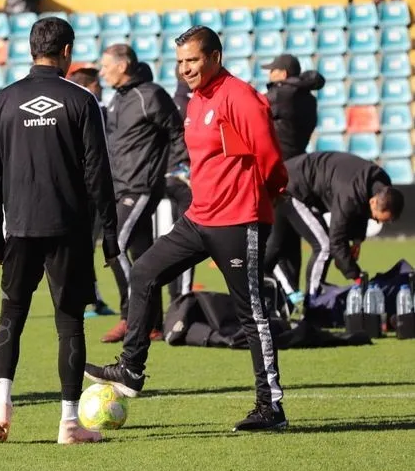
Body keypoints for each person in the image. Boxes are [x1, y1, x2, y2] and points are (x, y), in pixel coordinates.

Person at [85, 25, 291, 433]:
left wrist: (267, 195)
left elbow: (269, 157)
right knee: (144, 270)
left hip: (238, 220)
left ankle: (271, 407)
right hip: (200, 217)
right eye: (180, 62)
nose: (185, 69)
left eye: (193, 60)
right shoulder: (197, 100)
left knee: (252, 315)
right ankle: (131, 370)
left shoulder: (241, 97)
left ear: (215, 56)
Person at [0, 17, 120, 445]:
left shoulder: (2, 102)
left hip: (19, 228)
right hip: (68, 229)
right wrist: (110, 230)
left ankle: (1, 404)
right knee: (70, 324)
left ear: (30, 49)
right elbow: (98, 172)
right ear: (67, 52)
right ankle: (69, 425)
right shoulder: (81, 100)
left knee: (11, 317)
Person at [97, 45, 188, 344]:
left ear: (122, 66)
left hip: (140, 187)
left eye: (105, 65)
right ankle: (152, 324)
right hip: (120, 186)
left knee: (115, 246)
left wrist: (176, 167)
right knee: (142, 255)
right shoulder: (117, 99)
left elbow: (178, 133)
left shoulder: (150, 95)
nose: (102, 71)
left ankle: (130, 317)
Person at [263, 152, 404, 299]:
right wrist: (355, 276)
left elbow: (362, 209)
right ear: (373, 202)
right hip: (291, 187)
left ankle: (258, 282)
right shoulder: (349, 194)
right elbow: (337, 238)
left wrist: (357, 240)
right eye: (376, 218)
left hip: (293, 180)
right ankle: (312, 303)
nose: (376, 221)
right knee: (325, 246)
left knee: (273, 249)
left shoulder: (380, 185)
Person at [261, 54, 325, 306]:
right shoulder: (309, 99)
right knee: (291, 240)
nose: (268, 75)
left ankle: (274, 297)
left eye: (272, 70)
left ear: (283, 74)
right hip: (300, 171)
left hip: (278, 173)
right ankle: (290, 296)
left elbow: (255, 111)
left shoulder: (281, 95)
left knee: (273, 240)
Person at [66, 67, 116, 318]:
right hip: (89, 191)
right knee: (85, 247)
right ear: (91, 86)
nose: (101, 90)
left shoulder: (78, 110)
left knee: (84, 247)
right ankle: (87, 300)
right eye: (99, 85)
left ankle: (91, 299)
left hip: (83, 191)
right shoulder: (92, 110)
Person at [165, 73, 195, 301]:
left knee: (169, 240)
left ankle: (174, 296)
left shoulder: (169, 101)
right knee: (188, 241)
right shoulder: (194, 104)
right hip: (186, 178)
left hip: (165, 177)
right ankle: (182, 300)